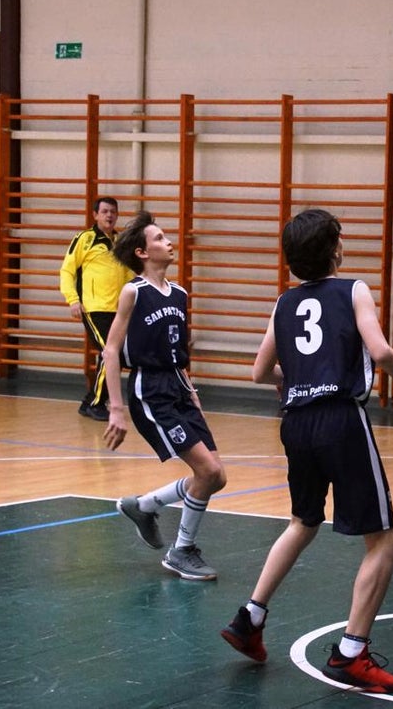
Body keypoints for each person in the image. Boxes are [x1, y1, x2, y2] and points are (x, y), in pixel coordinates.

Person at [219, 209, 393, 694]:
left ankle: (249, 618)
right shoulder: (353, 289)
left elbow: (259, 372)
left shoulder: (283, 303)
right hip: (340, 420)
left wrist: (298, 380)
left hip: (296, 423)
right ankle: (351, 653)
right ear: (335, 249)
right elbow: (379, 353)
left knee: (303, 521)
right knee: (386, 541)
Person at [102, 211, 227, 582]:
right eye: (159, 238)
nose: (168, 241)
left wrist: (192, 391)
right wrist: (116, 408)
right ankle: (181, 551)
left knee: (216, 477)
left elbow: (178, 350)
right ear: (142, 252)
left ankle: (143, 506)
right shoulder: (133, 293)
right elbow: (111, 351)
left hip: (178, 388)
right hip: (150, 391)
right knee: (206, 470)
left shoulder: (181, 294)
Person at [59, 196, 132, 422]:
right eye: (105, 211)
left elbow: (130, 274)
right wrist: (72, 299)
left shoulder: (121, 242)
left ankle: (90, 401)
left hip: (118, 311)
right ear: (95, 215)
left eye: (113, 212)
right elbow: (67, 271)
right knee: (113, 354)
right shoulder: (85, 239)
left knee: (112, 355)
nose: (109, 215)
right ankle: (95, 403)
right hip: (94, 308)